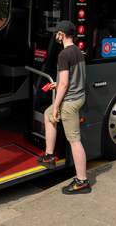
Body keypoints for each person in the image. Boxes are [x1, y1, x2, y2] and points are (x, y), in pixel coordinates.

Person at [37, 20, 91, 194]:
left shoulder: (63, 54)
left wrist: (56, 105)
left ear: (61, 35)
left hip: (69, 102)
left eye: (57, 34)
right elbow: (73, 78)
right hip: (79, 96)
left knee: (74, 141)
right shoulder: (78, 51)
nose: (56, 36)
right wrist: (57, 84)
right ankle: (49, 155)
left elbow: (65, 84)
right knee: (47, 115)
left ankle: (82, 181)